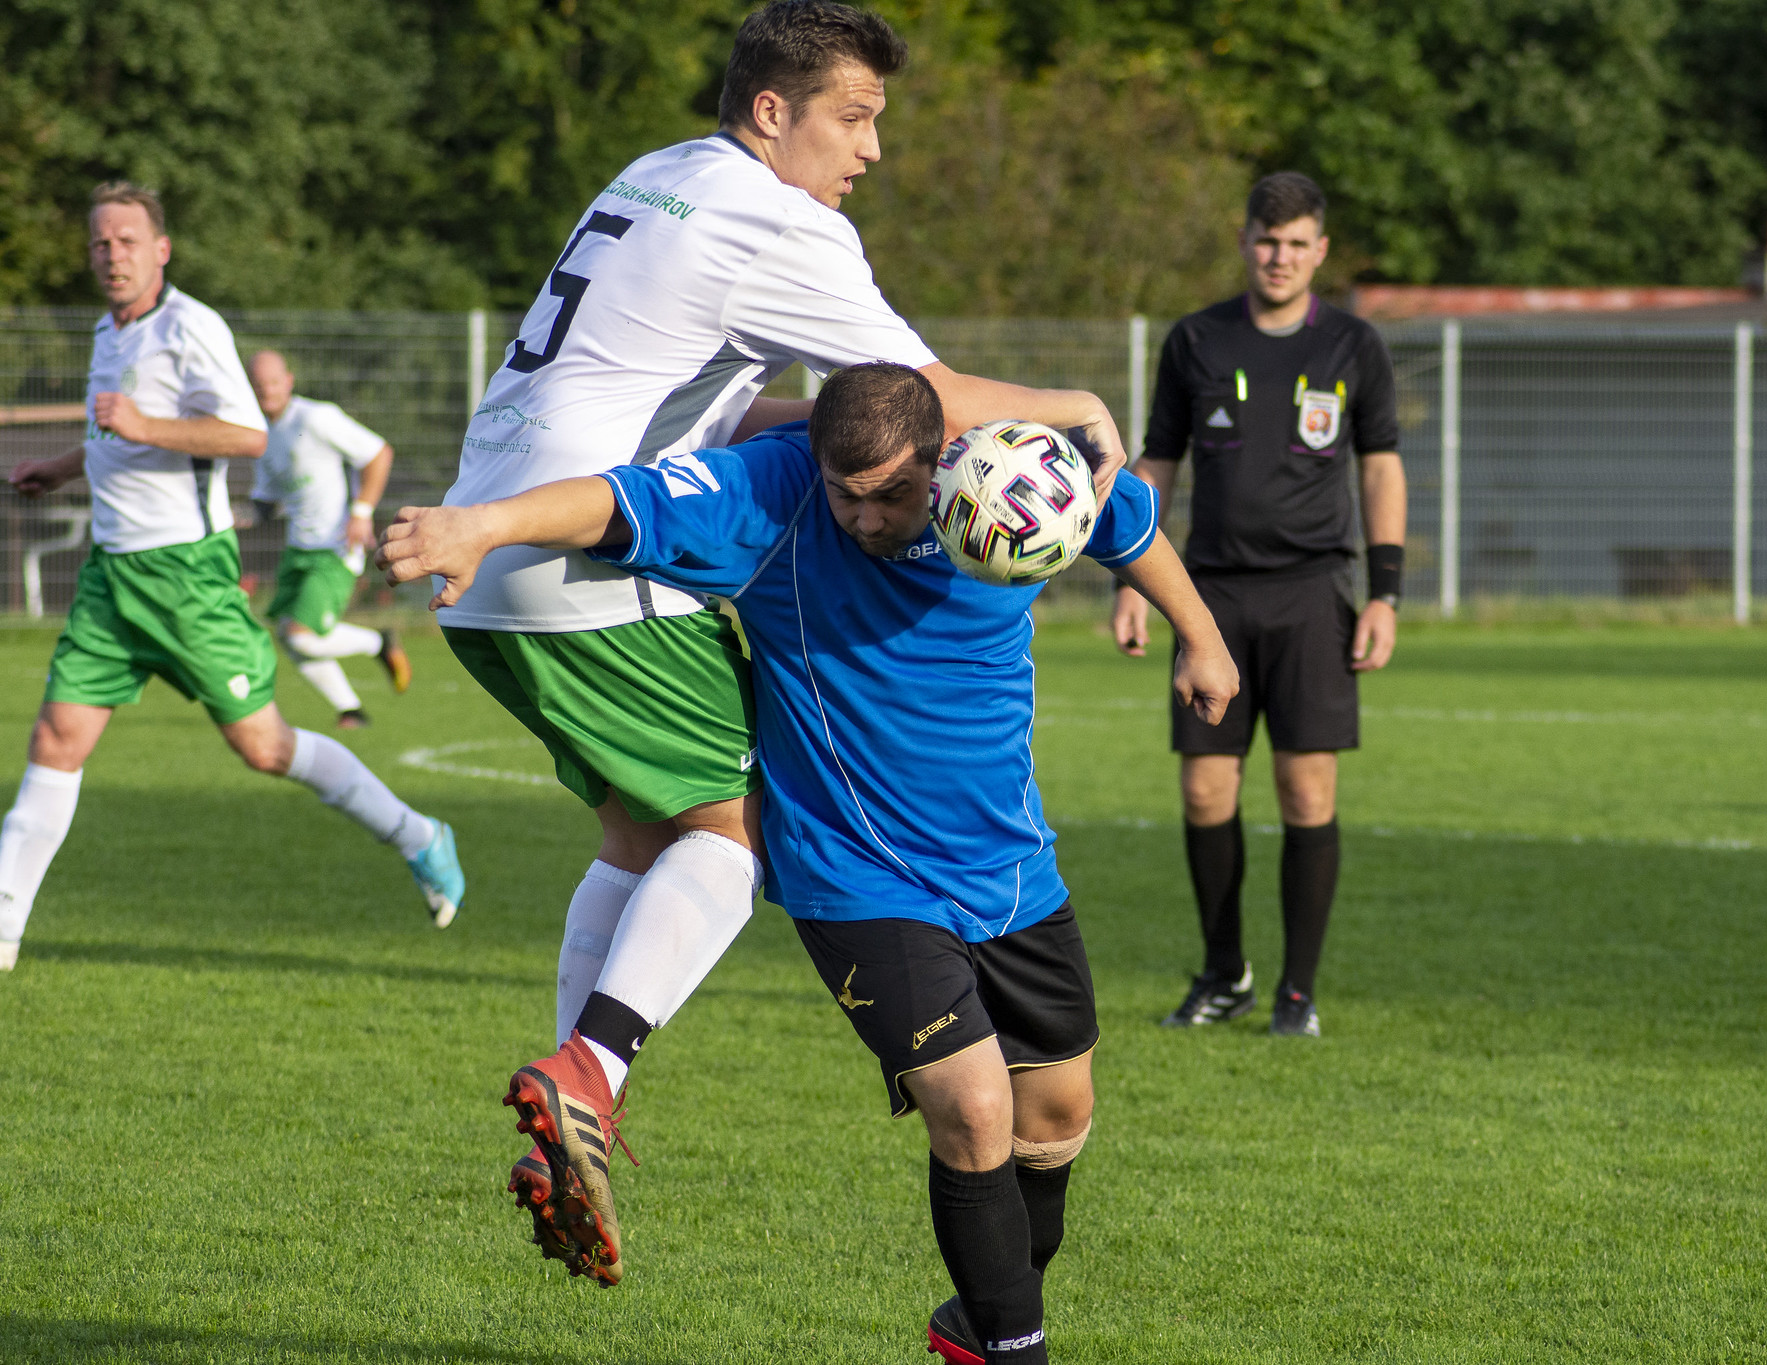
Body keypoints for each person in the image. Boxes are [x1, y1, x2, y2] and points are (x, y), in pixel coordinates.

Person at [430, 0, 1128, 1280]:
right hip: (596, 545)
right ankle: (588, 1072)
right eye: (851, 118)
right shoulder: (779, 218)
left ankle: (573, 1123)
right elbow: (920, 404)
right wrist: (1069, 401)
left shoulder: (656, 179)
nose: (866, 151)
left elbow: (767, 400)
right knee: (744, 826)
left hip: (500, 556)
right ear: (771, 111)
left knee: (641, 836)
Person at [381, 362, 1237, 1363]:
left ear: (938, 456)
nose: (867, 517)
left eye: (891, 494)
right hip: (855, 877)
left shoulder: (1006, 472)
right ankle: (1014, 1350)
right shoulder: (774, 495)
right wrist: (482, 524)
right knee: (971, 1109)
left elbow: (1123, 516)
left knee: (1053, 1125)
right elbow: (615, 506)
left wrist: (1201, 636)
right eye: (847, 494)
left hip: (1008, 870)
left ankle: (980, 1323)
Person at [0, 181, 466, 973]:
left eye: (126, 241)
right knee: (56, 739)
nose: (111, 255)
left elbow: (247, 433)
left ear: (161, 249)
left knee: (263, 746)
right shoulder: (106, 332)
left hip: (189, 578)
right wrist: (64, 465)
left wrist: (142, 424)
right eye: (99, 243)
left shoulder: (190, 325)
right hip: (113, 579)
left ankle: (417, 833)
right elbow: (115, 435)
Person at [1111, 171, 1406, 1038]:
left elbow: (1380, 466)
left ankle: (1298, 993)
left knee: (1305, 790)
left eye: (1297, 243)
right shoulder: (1196, 339)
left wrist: (1384, 592)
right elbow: (1157, 461)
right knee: (1206, 792)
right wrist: (1135, 580)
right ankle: (1222, 972)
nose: (1279, 257)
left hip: (1315, 592)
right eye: (1266, 241)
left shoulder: (1354, 344)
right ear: (1245, 242)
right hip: (1211, 596)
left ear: (1320, 250)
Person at [246, 349, 412, 729]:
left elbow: (378, 453)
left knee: (302, 635)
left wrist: (361, 513)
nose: (267, 391)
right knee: (289, 636)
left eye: (273, 382)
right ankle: (351, 710)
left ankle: (380, 643)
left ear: (288, 380)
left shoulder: (316, 417)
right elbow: (265, 503)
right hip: (298, 548)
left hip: (335, 547)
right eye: (259, 385)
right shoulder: (262, 433)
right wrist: (230, 516)